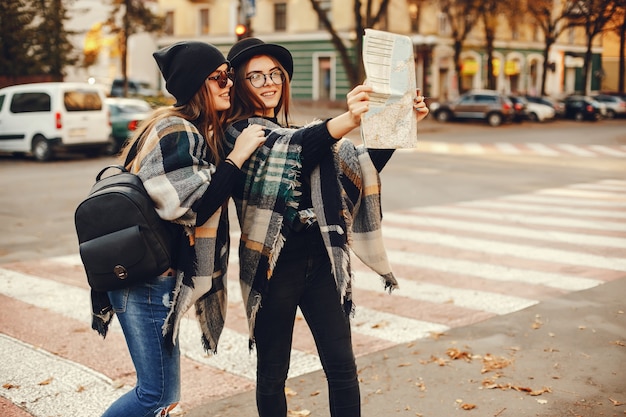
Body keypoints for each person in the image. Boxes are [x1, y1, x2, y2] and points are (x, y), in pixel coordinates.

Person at [223, 37, 429, 417]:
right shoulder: (238, 133)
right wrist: (348, 119)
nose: (269, 82)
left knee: (342, 367)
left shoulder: (293, 132)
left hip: (321, 260)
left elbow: (354, 168)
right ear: (238, 84)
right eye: (256, 77)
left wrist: (401, 124)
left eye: (275, 74)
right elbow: (294, 146)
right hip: (273, 266)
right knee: (272, 374)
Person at [90, 40, 266, 417]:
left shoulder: (188, 130)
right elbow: (192, 207)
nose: (229, 84)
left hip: (145, 278)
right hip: (146, 283)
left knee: (161, 396)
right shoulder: (175, 130)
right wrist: (237, 157)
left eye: (229, 75)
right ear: (195, 85)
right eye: (219, 77)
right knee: (155, 395)